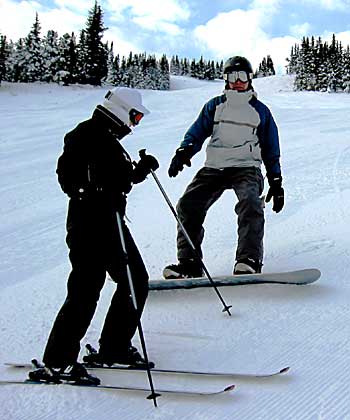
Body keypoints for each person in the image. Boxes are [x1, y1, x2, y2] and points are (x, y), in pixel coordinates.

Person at [29, 87, 159, 385]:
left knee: (133, 281)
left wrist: (139, 170)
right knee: (86, 289)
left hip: (109, 222)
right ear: (122, 111)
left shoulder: (109, 140)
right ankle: (59, 361)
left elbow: (117, 179)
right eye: (135, 116)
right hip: (90, 224)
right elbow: (68, 176)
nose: (135, 123)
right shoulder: (85, 135)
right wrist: (93, 192)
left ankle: (113, 348)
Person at [163, 56, 284, 279]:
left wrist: (275, 180)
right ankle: (190, 264)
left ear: (250, 79)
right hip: (215, 167)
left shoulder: (260, 111)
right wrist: (185, 151)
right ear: (225, 79)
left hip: (246, 167)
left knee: (250, 201)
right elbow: (197, 131)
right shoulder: (215, 106)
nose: (237, 82)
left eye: (242, 77)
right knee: (188, 205)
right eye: (231, 77)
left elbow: (271, 147)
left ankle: (249, 260)